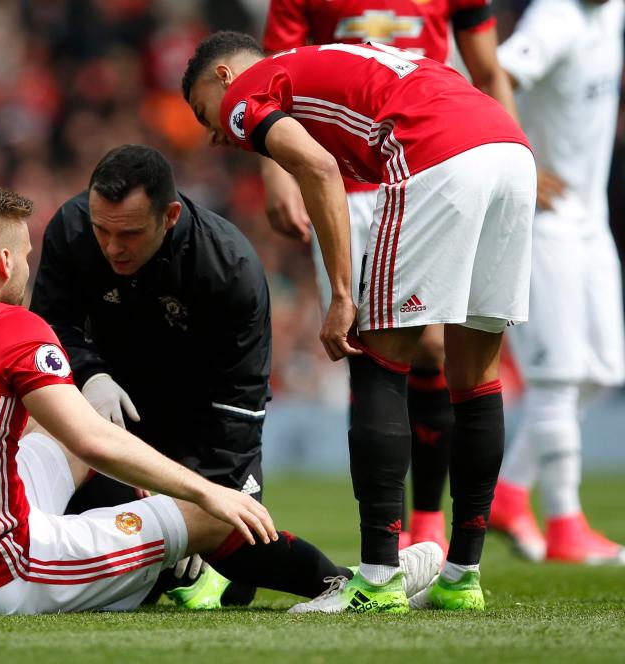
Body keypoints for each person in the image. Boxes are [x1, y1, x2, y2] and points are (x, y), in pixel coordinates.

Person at [0, 185, 441, 615]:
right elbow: (92, 440)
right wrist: (204, 491)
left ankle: (163, 554)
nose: (29, 265)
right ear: (3, 263)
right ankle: (343, 586)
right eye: (24, 253)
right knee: (203, 511)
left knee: (69, 424)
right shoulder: (11, 325)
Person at [182, 33, 534, 612]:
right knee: (477, 377)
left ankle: (375, 580)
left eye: (204, 112)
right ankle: (461, 577)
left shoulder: (247, 91)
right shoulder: (333, 55)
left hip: (438, 155)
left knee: (374, 355)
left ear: (222, 76)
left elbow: (318, 168)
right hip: (509, 149)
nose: (216, 133)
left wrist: (342, 293)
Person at [259, 0, 520, 553]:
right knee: (369, 343)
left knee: (430, 346)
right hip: (345, 178)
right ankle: (390, 529)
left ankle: (426, 519)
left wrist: (510, 145)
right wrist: (278, 172)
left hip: (433, 157)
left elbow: (489, 69)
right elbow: (271, 75)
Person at [29, 144, 271, 608]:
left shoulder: (228, 268)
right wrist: (91, 375)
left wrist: (194, 506)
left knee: (236, 581)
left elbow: (239, 404)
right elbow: (49, 327)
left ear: (171, 215)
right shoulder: (72, 227)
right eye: (102, 230)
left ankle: (369, 576)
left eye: (130, 234)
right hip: (117, 415)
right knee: (91, 548)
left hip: (203, 425)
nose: (113, 247)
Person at [488, 0, 625, 565]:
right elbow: (491, 76)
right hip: (543, 224)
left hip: (590, 220)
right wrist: (518, 156)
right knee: (557, 378)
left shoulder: (611, 12)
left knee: (602, 372)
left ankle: (509, 493)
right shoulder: (555, 20)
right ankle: (566, 524)